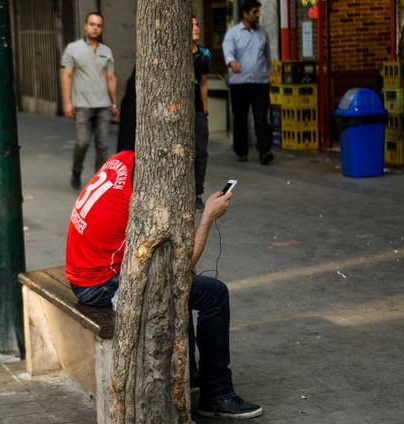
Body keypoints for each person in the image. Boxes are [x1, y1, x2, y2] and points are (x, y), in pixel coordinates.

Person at [65, 150, 264, 419]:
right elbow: (179, 271)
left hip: (83, 269)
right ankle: (216, 393)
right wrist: (207, 218)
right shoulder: (142, 207)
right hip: (99, 284)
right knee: (214, 294)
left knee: (189, 287)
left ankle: (190, 375)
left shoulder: (125, 158)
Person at [61, 12, 119, 190]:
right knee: (82, 142)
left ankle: (98, 182)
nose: (95, 27)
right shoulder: (73, 49)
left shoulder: (106, 51)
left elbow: (111, 78)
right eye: (92, 24)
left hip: (103, 105)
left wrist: (114, 103)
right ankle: (76, 171)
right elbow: (67, 76)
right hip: (82, 105)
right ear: (86, 26)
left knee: (102, 146)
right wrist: (67, 102)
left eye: (99, 25)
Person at [222, 0, 274, 165]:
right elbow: (228, 50)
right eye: (254, 12)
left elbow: (267, 56)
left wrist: (269, 75)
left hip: (260, 83)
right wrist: (231, 62)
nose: (257, 15)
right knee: (240, 118)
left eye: (258, 12)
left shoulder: (262, 33)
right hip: (240, 83)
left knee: (261, 117)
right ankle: (241, 150)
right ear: (245, 13)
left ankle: (265, 151)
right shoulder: (233, 33)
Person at [192, 17, 211, 210]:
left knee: (201, 152)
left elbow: (204, 83)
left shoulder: (204, 54)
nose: (196, 28)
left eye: (198, 24)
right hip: (179, 111)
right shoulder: (176, 53)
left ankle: (197, 192)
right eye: (192, 26)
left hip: (197, 110)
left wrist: (205, 111)